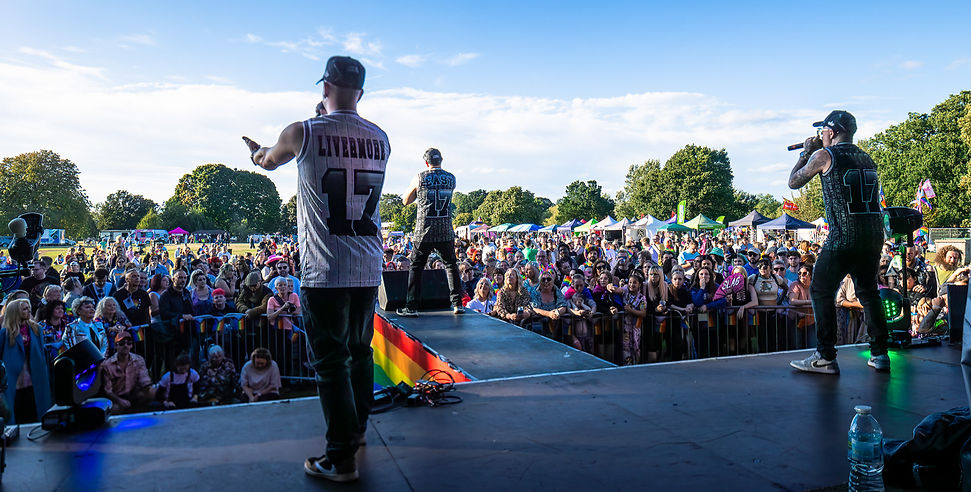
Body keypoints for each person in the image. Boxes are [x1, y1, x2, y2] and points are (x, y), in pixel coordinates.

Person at [245, 55, 386, 482]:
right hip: (367, 263)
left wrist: (255, 153)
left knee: (329, 363)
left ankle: (340, 458)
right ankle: (357, 432)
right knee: (360, 353)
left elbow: (268, 160)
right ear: (360, 92)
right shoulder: (382, 138)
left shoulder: (302, 131)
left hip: (324, 268)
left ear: (324, 87)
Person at [788, 110, 889, 374]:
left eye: (823, 131)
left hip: (844, 235)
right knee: (869, 292)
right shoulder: (866, 157)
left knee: (821, 290)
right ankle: (880, 354)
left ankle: (825, 356)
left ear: (831, 132)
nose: (821, 135)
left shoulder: (824, 155)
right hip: (871, 235)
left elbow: (794, 182)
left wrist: (805, 153)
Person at [397, 148, 464, 317]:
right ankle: (457, 304)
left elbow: (405, 200)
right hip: (445, 229)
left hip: (424, 230)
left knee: (416, 266)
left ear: (426, 162)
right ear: (441, 160)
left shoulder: (420, 177)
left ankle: (411, 307)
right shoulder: (451, 178)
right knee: (451, 265)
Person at [0, 298, 53, 424]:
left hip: (35, 376)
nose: (28, 311)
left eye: (29, 308)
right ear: (15, 311)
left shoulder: (36, 329)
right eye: (24, 309)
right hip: (13, 380)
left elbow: (41, 351)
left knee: (36, 410)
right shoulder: (5, 333)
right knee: (16, 413)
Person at [101, 330, 155, 414]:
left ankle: (137, 410)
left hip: (134, 394)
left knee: (151, 391)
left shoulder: (139, 359)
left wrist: (148, 387)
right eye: (122, 343)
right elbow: (108, 391)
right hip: (117, 397)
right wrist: (120, 401)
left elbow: (145, 380)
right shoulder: (107, 365)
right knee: (114, 409)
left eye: (128, 343)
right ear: (115, 346)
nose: (125, 346)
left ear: (132, 346)